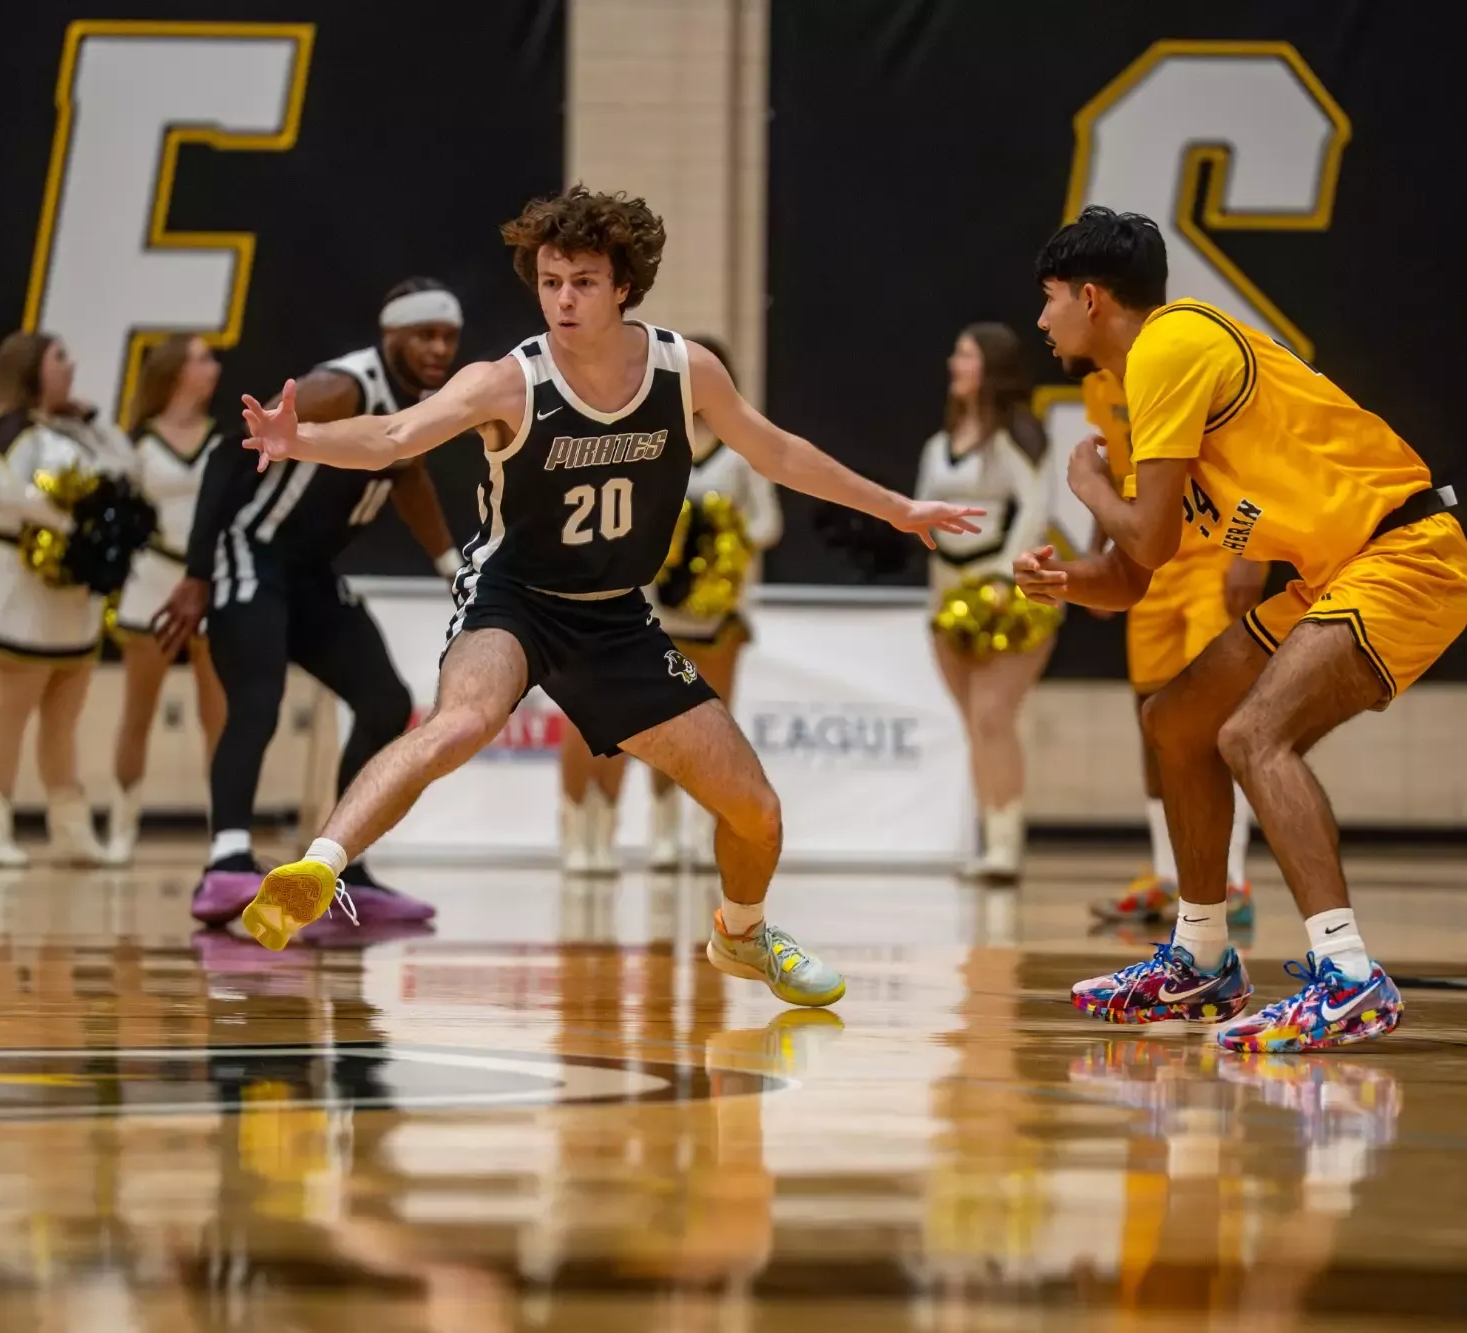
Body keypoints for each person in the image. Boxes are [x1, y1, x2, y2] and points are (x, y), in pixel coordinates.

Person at [230, 185, 982, 1008]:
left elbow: (779, 453)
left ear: (624, 283)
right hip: (513, 598)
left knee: (757, 811)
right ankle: (321, 863)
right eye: (551, 281)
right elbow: (395, 435)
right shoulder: (506, 381)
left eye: (583, 281)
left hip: (616, 613)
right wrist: (297, 437)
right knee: (462, 720)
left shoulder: (682, 368)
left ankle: (743, 931)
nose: (563, 299)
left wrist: (899, 507)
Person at [1017, 207, 1467, 1051]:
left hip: (1406, 551)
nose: (1041, 319)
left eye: (1048, 300)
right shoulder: (1149, 390)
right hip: (1332, 569)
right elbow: (1131, 575)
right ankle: (1200, 958)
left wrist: (1085, 485)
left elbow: (1145, 536)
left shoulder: (1169, 345)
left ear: (1091, 297)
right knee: (1174, 721)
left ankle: (1348, 975)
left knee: (1252, 734)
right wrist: (1064, 581)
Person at [157, 277, 467, 930]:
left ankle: (341, 867)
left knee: (386, 701)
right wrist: (195, 574)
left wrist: (450, 566)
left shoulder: (423, 401)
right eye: (425, 336)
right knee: (258, 699)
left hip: (310, 572)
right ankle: (227, 860)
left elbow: (408, 475)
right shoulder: (341, 387)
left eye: (449, 337)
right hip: (254, 552)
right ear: (392, 337)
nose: (440, 348)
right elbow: (225, 456)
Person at [554, 333, 783, 875]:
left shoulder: (742, 449)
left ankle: (687, 830)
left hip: (715, 614)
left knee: (708, 729)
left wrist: (725, 535)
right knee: (639, 727)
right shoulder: (648, 441)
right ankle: (590, 833)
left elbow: (768, 523)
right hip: (646, 613)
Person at [1077, 367, 1264, 927]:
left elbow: (1250, 457)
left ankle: (1230, 881)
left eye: (1053, 298)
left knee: (1214, 717)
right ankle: (1168, 878)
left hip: (1211, 556)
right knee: (1153, 717)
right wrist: (1097, 560)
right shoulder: (1100, 385)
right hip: (1147, 559)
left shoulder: (1180, 362)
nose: (1045, 319)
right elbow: (1115, 476)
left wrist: (1250, 552)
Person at [0, 331, 133, 868]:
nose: (71, 366)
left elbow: (128, 468)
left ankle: (71, 828)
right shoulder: (8, 428)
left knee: (64, 715)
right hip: (21, 584)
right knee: (11, 711)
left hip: (72, 589)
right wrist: (73, 518)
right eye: (61, 358)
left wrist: (94, 420)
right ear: (32, 368)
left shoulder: (73, 431)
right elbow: (16, 493)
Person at [916, 323, 1055, 882]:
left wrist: (1005, 578)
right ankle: (988, 838)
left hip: (1007, 596)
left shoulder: (1015, 438)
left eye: (966, 354)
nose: (955, 362)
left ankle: (1006, 844)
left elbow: (1035, 507)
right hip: (946, 598)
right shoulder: (937, 444)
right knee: (975, 723)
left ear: (991, 368)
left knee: (994, 717)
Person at [105, 334, 229, 865]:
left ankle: (224, 833)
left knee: (219, 717)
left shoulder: (226, 439)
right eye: (203, 359)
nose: (214, 367)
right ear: (177, 371)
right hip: (153, 584)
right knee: (138, 713)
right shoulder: (136, 443)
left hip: (210, 583)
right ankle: (121, 824)